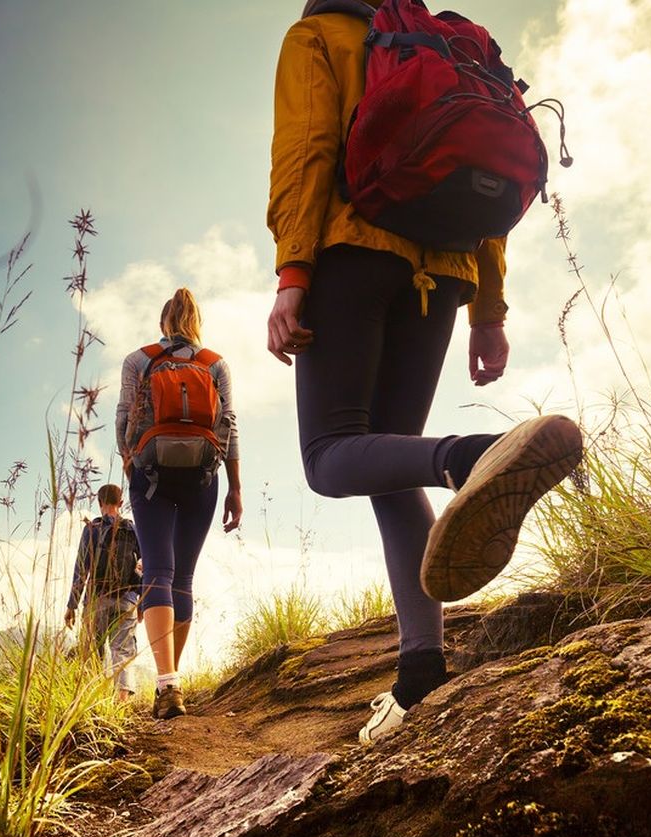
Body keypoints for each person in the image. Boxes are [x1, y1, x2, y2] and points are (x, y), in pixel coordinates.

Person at [266, 1, 583, 744]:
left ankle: (473, 457)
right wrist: (488, 310)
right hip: (443, 271)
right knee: (387, 465)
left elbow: (306, 149)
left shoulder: (319, 35)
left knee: (329, 456)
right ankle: (421, 673)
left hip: (351, 252)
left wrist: (292, 273)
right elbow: (489, 189)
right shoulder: (439, 46)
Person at [117, 288, 242, 720]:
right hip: (203, 478)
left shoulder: (139, 359)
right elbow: (230, 428)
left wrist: (132, 468)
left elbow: (123, 419)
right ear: (196, 323)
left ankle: (166, 681)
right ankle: (172, 681)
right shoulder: (215, 364)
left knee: (157, 572)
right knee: (183, 578)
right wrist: (235, 488)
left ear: (163, 323)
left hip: (150, 476)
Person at [65, 483, 142, 702]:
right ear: (120, 502)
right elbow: (144, 565)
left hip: (96, 599)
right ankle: (121, 701)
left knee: (92, 650)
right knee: (123, 650)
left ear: (99, 503)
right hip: (127, 599)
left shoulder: (92, 528)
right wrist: (142, 603)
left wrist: (72, 605)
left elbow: (82, 568)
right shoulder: (133, 529)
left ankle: (92, 701)